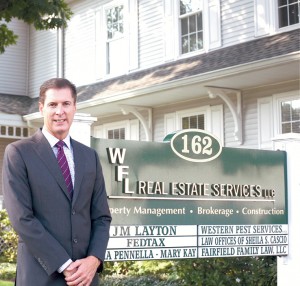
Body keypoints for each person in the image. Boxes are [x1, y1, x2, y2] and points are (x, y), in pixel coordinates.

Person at [2, 78, 112, 286]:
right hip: (40, 277)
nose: (60, 111)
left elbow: (102, 217)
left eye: (66, 104)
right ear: (42, 108)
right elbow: (22, 218)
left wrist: (94, 260)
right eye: (53, 104)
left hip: (85, 278)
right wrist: (64, 264)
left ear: (74, 107)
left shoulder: (90, 156)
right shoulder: (18, 153)